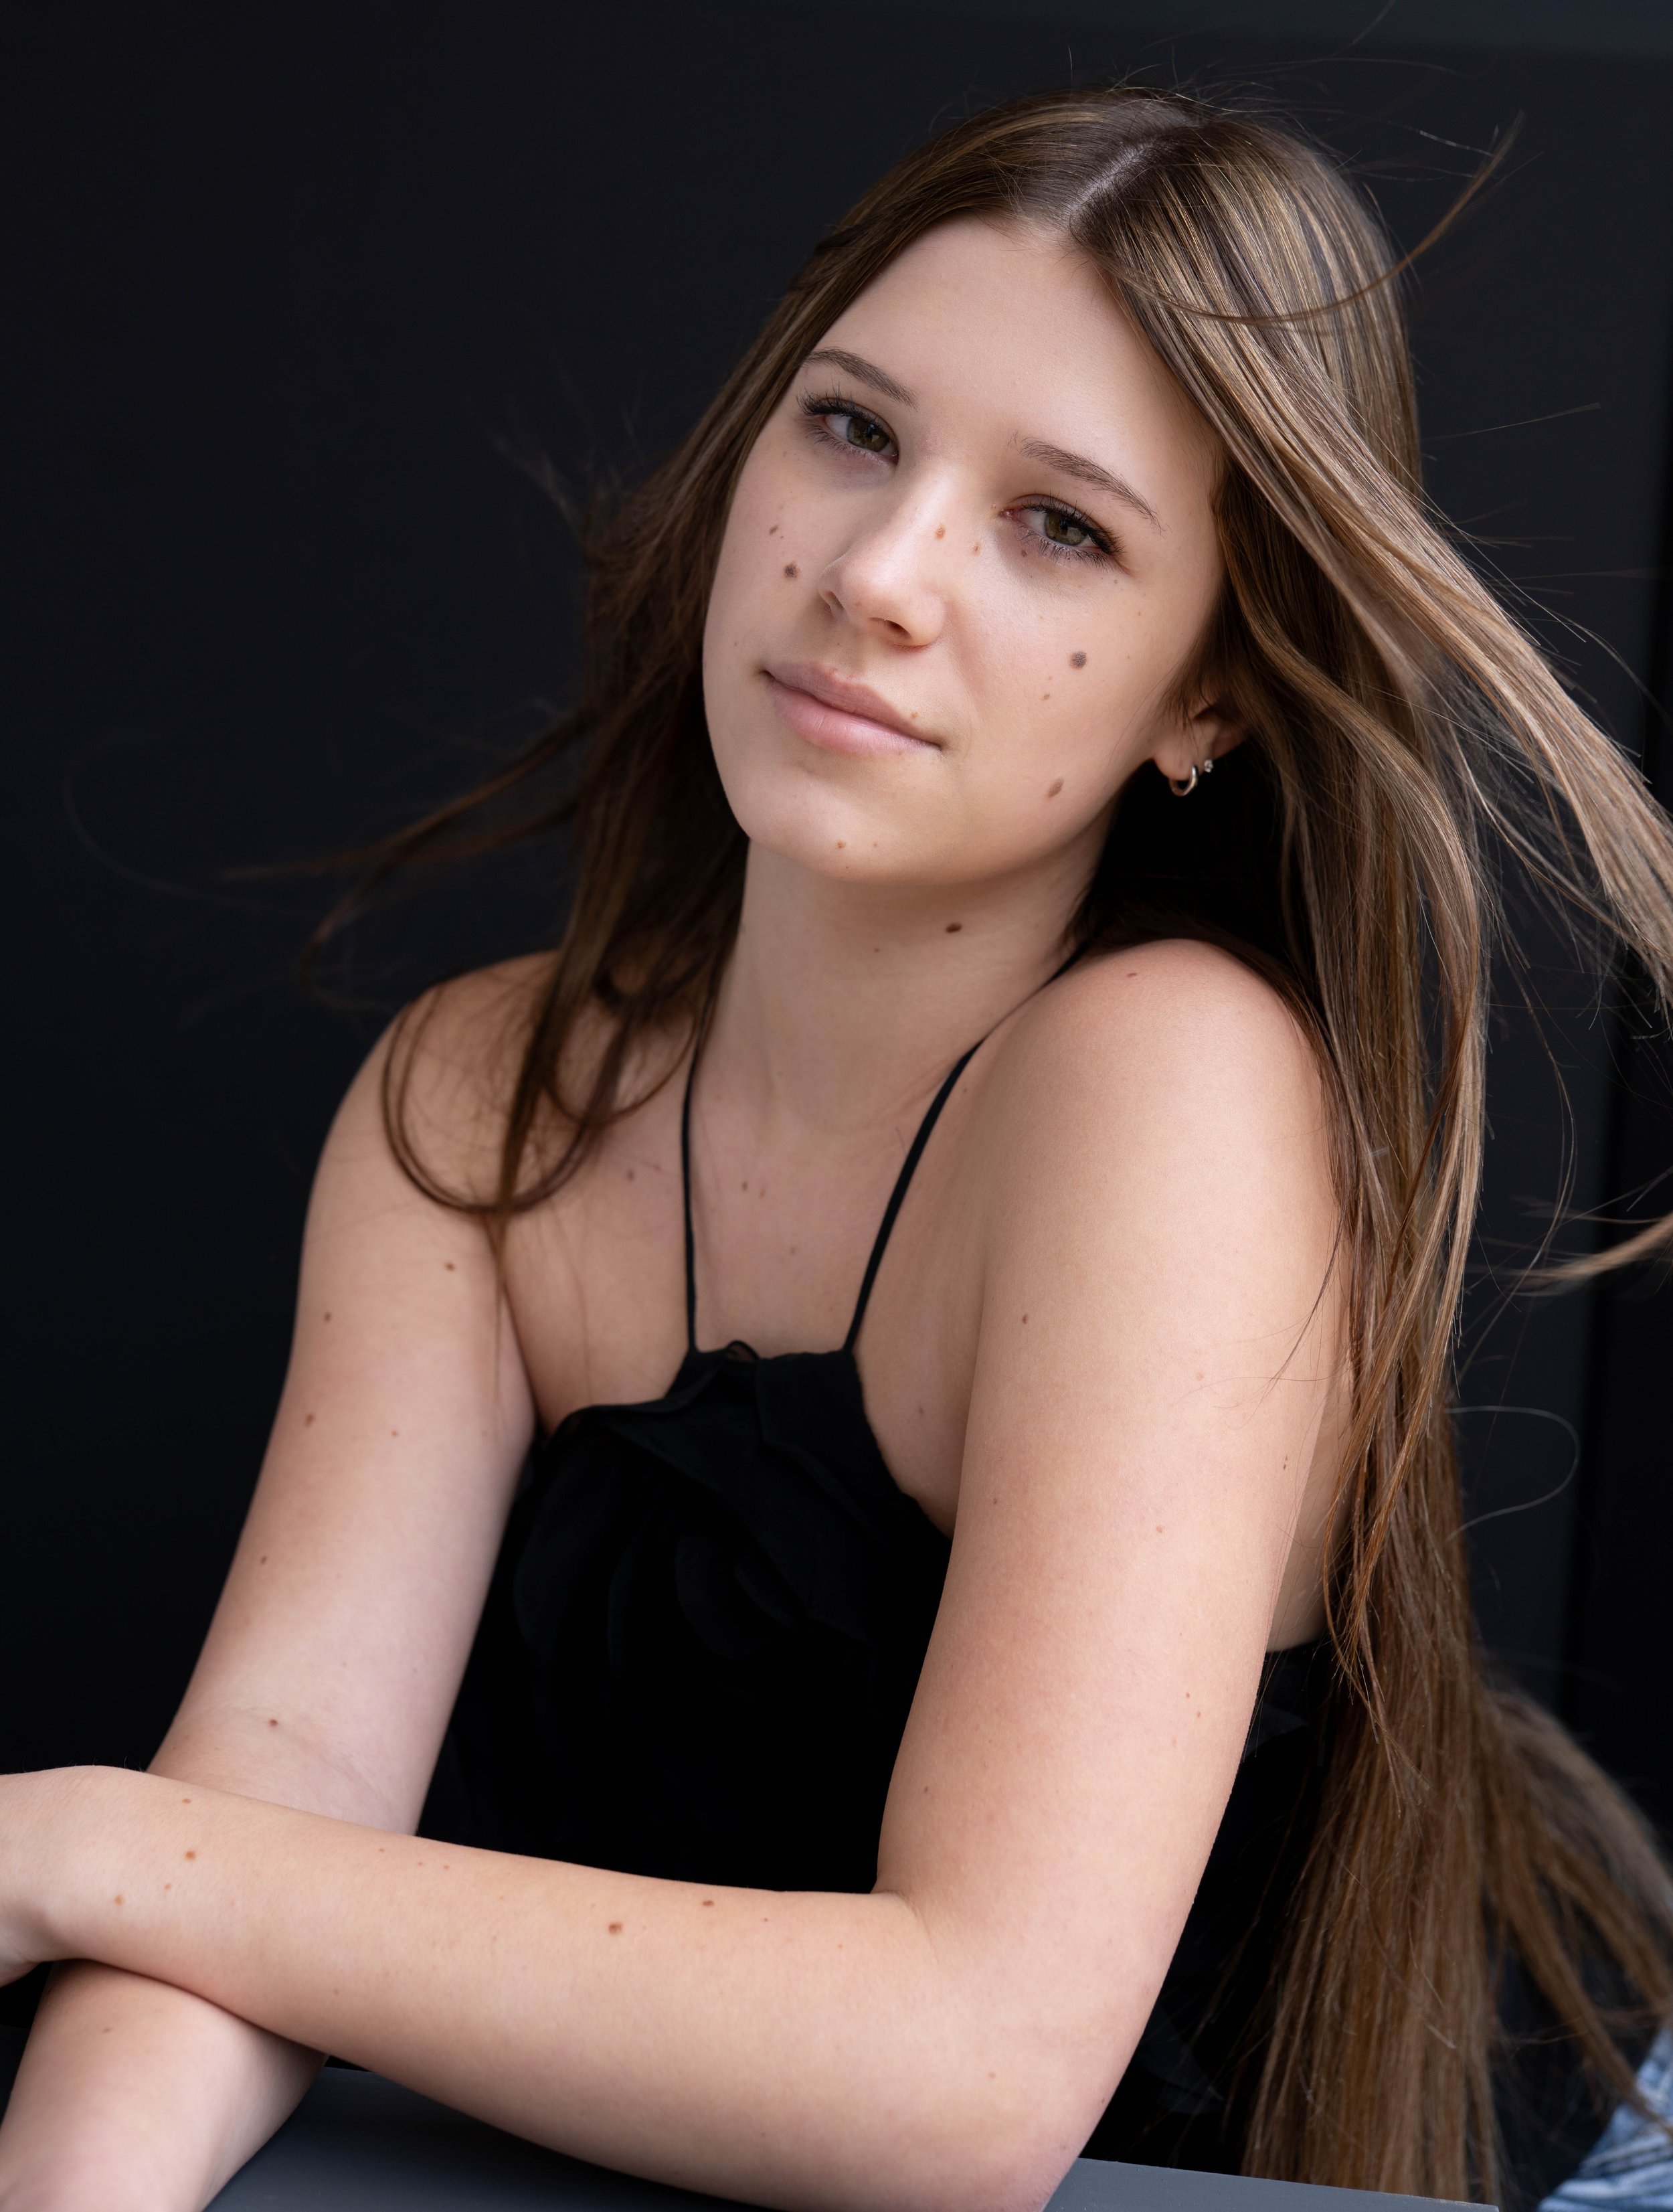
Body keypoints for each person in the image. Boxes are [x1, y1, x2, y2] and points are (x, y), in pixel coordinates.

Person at [1, 82, 1670, 2212]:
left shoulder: (1167, 1089)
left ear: (1209, 697)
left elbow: (963, 2071)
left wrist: (81, 1847)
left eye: (1059, 526)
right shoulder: (473, 1100)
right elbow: (265, 1814)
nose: (879, 574)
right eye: (853, 430)